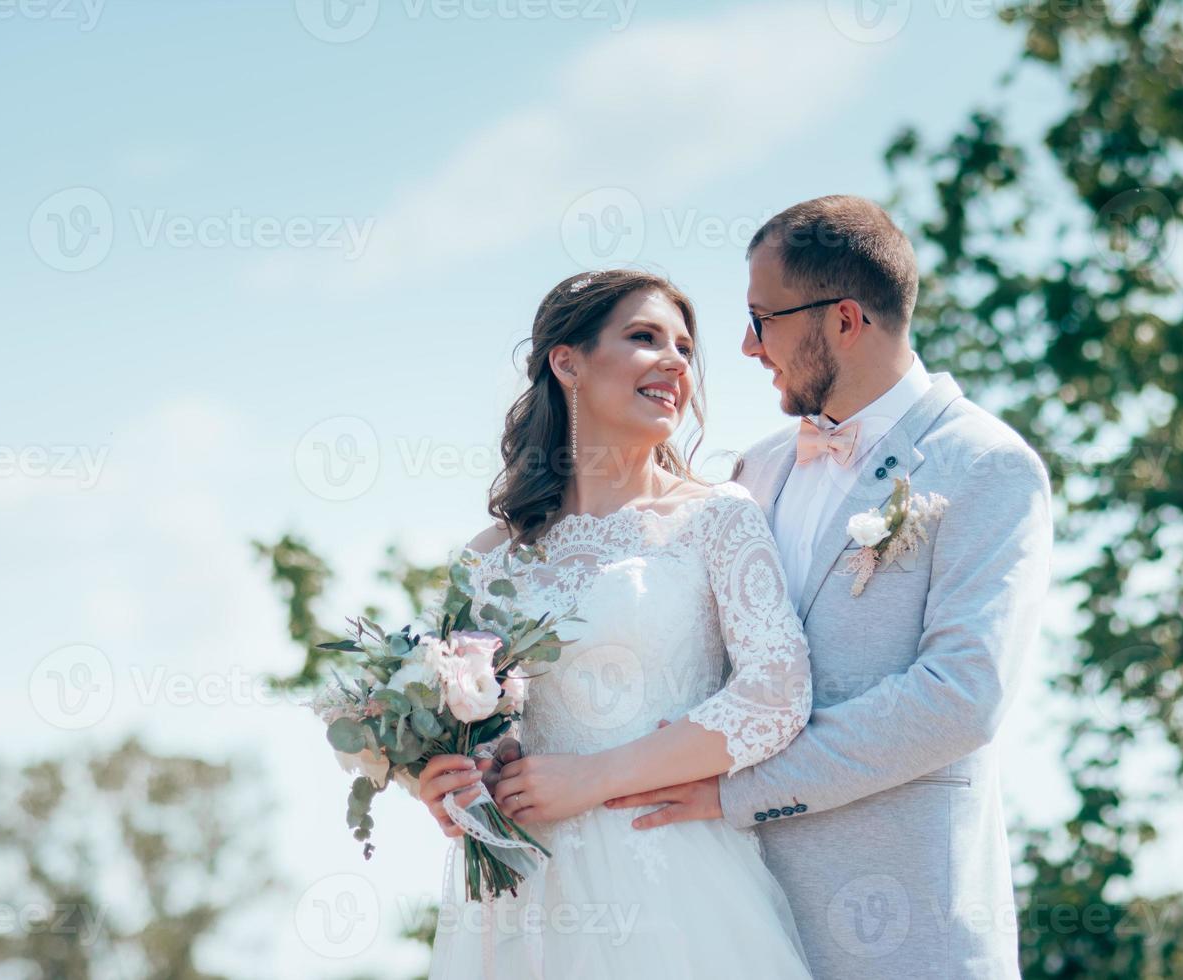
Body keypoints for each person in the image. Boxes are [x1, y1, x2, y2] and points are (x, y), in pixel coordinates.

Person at [601, 196, 1053, 978]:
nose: (745, 345)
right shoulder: (755, 471)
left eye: (762, 317)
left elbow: (958, 697)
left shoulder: (987, 466)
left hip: (910, 936)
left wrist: (736, 788)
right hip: (739, 928)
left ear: (844, 320)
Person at [421, 268, 815, 978]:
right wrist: (446, 777)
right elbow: (463, 721)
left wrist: (594, 778)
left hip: (676, 881)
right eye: (644, 338)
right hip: (526, 894)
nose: (675, 362)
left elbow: (776, 693)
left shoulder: (717, 518)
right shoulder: (487, 560)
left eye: (686, 349)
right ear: (566, 361)